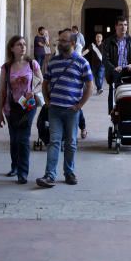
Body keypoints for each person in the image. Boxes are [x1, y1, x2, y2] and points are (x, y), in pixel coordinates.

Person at [36, 28, 93, 188]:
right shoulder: (54, 61)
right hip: (54, 109)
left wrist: (80, 105)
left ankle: (69, 173)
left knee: (71, 143)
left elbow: (89, 85)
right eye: (59, 40)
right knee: (54, 142)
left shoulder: (82, 62)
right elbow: (45, 82)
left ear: (73, 43)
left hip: (72, 110)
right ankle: (50, 175)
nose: (59, 43)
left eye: (63, 41)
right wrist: (47, 101)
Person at [0, 35, 43, 184]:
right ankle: (15, 166)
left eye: (24, 44)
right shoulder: (6, 67)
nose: (23, 47)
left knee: (23, 139)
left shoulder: (32, 64)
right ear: (12, 48)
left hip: (28, 105)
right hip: (11, 107)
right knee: (14, 139)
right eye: (19, 44)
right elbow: (3, 90)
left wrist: (34, 91)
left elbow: (41, 82)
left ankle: (22, 173)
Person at [103, 16, 131, 113]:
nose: (123, 27)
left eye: (125, 25)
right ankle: (113, 110)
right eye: (120, 25)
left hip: (129, 69)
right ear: (115, 26)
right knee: (115, 85)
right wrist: (114, 68)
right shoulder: (108, 41)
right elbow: (105, 60)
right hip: (116, 70)